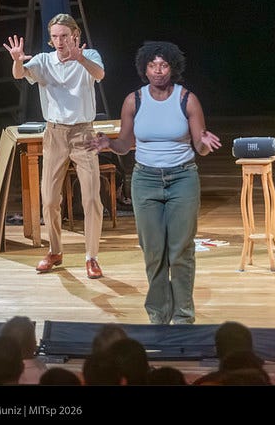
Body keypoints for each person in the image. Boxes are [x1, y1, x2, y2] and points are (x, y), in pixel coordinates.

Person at [87, 41, 221, 324]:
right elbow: (125, 144)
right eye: (152, 65)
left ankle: (182, 316)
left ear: (173, 68)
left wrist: (205, 142)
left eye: (163, 65)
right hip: (146, 180)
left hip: (182, 178)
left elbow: (200, 146)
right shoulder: (134, 100)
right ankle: (159, 316)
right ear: (144, 69)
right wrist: (108, 144)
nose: (158, 71)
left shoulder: (187, 99)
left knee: (181, 250)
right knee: (153, 251)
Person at [4, 13, 106, 279]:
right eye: (55, 37)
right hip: (55, 133)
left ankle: (91, 257)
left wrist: (80, 58)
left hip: (83, 134)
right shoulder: (44, 61)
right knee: (49, 200)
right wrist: (17, 60)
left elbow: (100, 74)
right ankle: (55, 251)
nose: (60, 41)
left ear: (75, 35)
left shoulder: (89, 55)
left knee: (91, 198)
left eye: (65, 36)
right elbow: (19, 74)